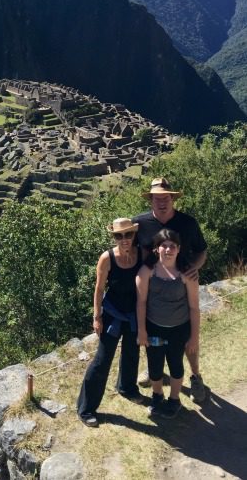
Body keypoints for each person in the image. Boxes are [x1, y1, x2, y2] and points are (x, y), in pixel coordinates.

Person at [133, 177, 207, 403]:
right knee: (155, 329)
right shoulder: (140, 224)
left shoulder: (187, 223)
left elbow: (202, 251)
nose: (162, 202)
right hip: (154, 285)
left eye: (166, 198)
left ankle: (195, 376)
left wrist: (193, 269)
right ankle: (155, 370)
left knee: (185, 336)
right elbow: (127, 246)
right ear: (151, 201)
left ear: (173, 199)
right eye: (157, 198)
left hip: (182, 285)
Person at [77, 218, 143, 427]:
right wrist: (97, 317)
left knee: (132, 352)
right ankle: (86, 408)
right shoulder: (107, 258)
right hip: (113, 315)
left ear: (134, 235)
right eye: (118, 236)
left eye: (128, 235)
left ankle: (127, 387)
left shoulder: (142, 254)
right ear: (113, 237)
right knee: (102, 360)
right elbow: (98, 288)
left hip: (133, 313)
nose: (124, 239)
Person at [136, 228, 200, 418]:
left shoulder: (187, 274)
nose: (168, 249)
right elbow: (141, 303)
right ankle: (157, 395)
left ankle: (174, 400)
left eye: (172, 246)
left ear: (178, 249)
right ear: (157, 249)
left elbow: (194, 308)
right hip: (154, 328)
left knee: (175, 364)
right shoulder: (146, 271)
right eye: (164, 245)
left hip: (179, 330)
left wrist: (194, 337)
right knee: (155, 365)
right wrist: (141, 330)